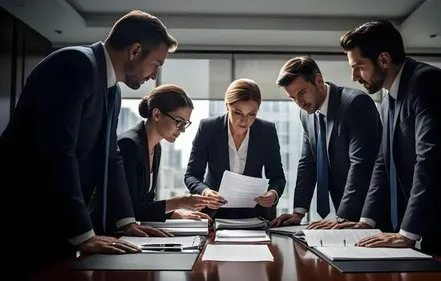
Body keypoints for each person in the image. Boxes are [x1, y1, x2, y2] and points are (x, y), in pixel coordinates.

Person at [0, 10, 178, 276]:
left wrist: (128, 222)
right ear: (135, 50)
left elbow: (110, 156)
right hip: (22, 217)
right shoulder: (75, 64)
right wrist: (83, 234)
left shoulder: (112, 91)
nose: (154, 76)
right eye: (156, 64)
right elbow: (58, 153)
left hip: (55, 224)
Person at [335, 19, 441, 279]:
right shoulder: (389, 97)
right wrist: (367, 220)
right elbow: (382, 162)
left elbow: (430, 159)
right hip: (436, 224)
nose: (354, 77)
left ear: (384, 59)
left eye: (358, 67)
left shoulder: (429, 83)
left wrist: (406, 233)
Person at [270, 57, 382, 229]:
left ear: (318, 80)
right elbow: (307, 162)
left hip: (372, 211)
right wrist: (298, 212)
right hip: (343, 214)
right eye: (293, 98)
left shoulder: (355, 104)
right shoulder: (306, 114)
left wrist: (343, 216)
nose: (299, 103)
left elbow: (361, 164)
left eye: (302, 93)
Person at [184, 78, 286, 220]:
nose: (245, 121)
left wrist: (273, 194)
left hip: (255, 216)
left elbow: (278, 177)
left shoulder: (267, 131)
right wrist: (206, 192)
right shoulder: (208, 128)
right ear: (227, 106)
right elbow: (191, 176)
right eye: (238, 113)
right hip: (214, 214)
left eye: (252, 114)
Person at [118, 84, 219, 222]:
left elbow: (146, 203)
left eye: (185, 124)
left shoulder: (156, 148)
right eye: (179, 122)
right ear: (156, 114)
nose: (182, 130)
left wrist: (176, 214)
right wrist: (178, 202)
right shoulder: (129, 145)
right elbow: (130, 209)